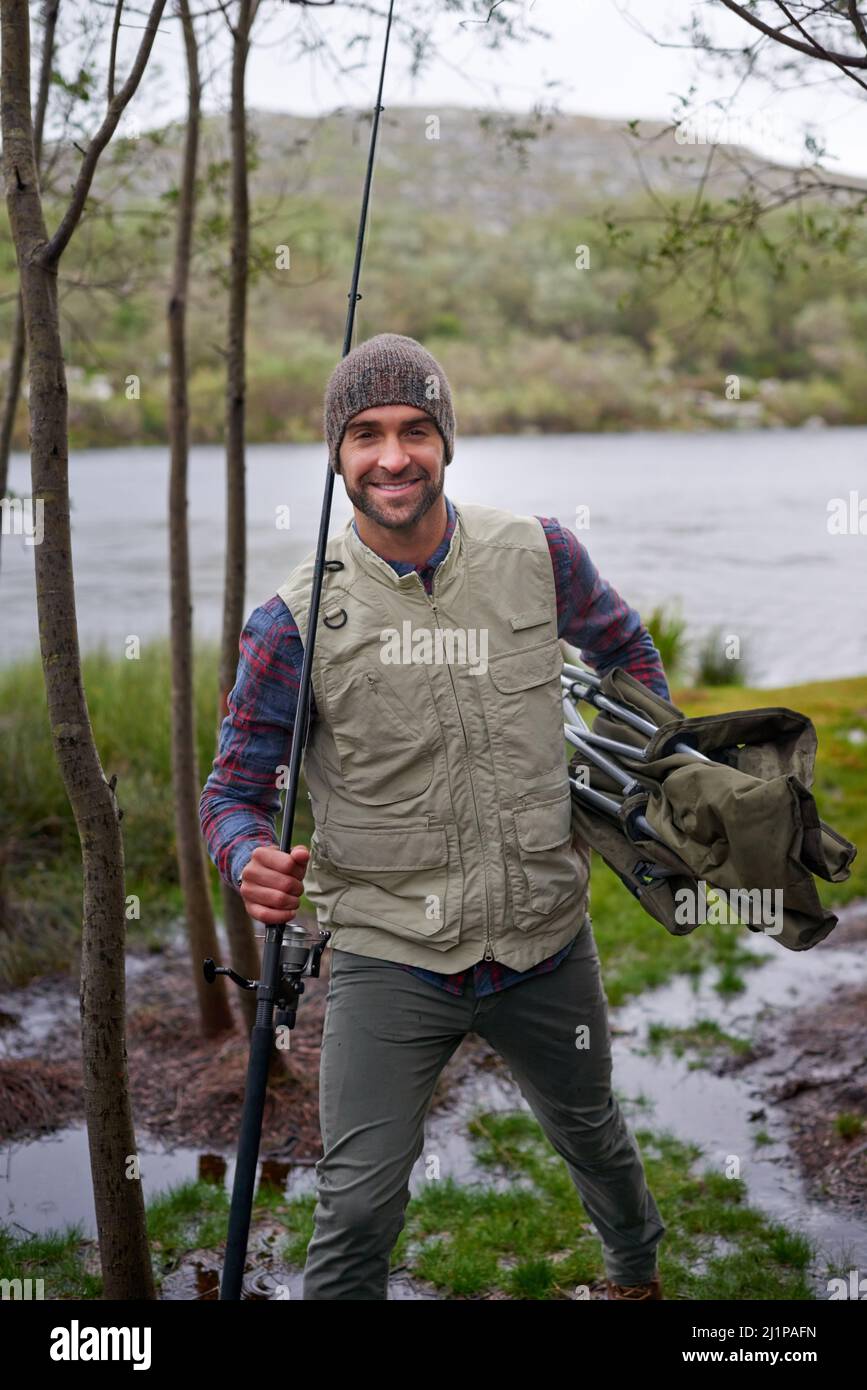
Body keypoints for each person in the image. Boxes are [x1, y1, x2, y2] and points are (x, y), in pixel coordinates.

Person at [199, 332, 669, 1301]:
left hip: (546, 935)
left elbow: (628, 650)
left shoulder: (542, 554)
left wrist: (638, 776)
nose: (392, 456)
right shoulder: (292, 622)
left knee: (593, 1131)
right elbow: (233, 793)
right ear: (336, 455)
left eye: (416, 428)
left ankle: (635, 1276)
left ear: (446, 441)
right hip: (388, 953)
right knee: (359, 1205)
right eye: (364, 434)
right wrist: (246, 857)